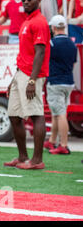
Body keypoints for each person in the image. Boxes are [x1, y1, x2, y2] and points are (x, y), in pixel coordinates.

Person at [4, 0, 51, 170]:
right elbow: (26, 53)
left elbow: (40, 53)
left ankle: (37, 160)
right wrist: (14, 79)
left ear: (38, 0)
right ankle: (23, 156)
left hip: (32, 75)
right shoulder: (27, 21)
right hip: (21, 73)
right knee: (14, 116)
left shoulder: (39, 22)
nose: (25, 2)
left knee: (36, 114)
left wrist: (32, 80)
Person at [43, 15, 77, 155]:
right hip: (68, 80)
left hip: (55, 81)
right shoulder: (72, 43)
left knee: (60, 113)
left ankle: (63, 144)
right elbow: (74, 63)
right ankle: (52, 140)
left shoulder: (51, 43)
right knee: (57, 112)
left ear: (53, 27)